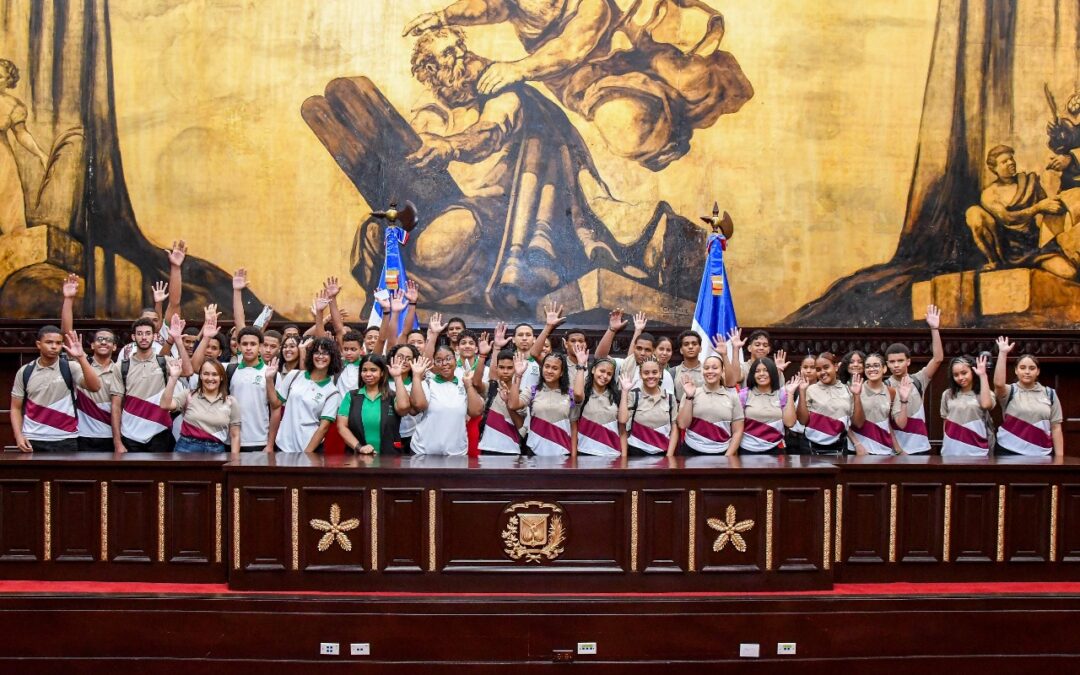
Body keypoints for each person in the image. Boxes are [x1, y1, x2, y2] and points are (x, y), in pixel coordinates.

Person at [965, 145, 1074, 275]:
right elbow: (1008, 219)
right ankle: (994, 261)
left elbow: (1051, 206)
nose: (1011, 163)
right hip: (1009, 249)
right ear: (994, 168)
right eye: (1004, 161)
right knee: (973, 213)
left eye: (1011, 159)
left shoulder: (1029, 182)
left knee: (1069, 273)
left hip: (1034, 244)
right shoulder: (990, 193)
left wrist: (1054, 176)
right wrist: (1037, 207)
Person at [10, 327, 102, 452]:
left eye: (58, 343)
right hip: (32, 439)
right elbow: (15, 408)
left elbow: (95, 387)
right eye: (49, 342)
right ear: (38, 344)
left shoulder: (70, 367)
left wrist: (81, 358)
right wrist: (18, 436)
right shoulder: (25, 371)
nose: (54, 347)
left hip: (65, 439)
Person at [60, 274, 123, 452]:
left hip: (113, 436)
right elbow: (66, 334)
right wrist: (69, 299)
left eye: (108, 340)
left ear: (115, 346)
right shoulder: (80, 363)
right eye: (100, 339)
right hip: (82, 436)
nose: (104, 342)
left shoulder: (121, 369)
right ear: (92, 344)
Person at [114, 315, 193, 453]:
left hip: (160, 432)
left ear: (154, 336)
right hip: (130, 435)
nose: (144, 337)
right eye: (139, 334)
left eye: (148, 333)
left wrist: (178, 340)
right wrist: (117, 442)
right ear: (133, 337)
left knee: (161, 475)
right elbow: (115, 406)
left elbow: (188, 371)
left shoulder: (164, 361)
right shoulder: (121, 366)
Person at [887, 305, 943, 455]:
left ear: (908, 362)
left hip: (921, 447)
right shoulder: (885, 386)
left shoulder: (918, 380)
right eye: (892, 362)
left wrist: (934, 329)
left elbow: (938, 359)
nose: (896, 365)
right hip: (895, 451)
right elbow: (885, 423)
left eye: (900, 360)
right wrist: (898, 450)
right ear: (887, 365)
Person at [992, 337, 1063, 457]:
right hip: (1009, 451)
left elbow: (1056, 428)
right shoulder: (1010, 391)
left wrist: (1060, 459)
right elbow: (998, 384)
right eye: (1022, 368)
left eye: (1032, 368)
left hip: (1041, 453)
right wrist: (1003, 353)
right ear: (1016, 371)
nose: (1027, 372)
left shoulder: (1050, 394)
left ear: (1038, 371)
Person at [0, 58, 48, 234]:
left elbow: (21, 133)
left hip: (2, 160)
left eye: (0, 77)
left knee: (9, 203)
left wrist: (41, 154)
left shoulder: (12, 105)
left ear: (9, 81)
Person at [409, 345, 484, 455]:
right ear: (434, 363)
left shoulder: (463, 383)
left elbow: (475, 412)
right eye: (439, 360)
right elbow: (419, 405)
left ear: (455, 359)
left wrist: (468, 385)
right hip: (423, 451)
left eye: (448, 358)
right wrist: (416, 375)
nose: (444, 364)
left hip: (456, 452)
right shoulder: (428, 383)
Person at [275, 337, 343, 453]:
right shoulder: (294, 375)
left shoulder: (332, 392)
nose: (320, 356)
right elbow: (275, 403)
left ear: (332, 358)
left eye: (325, 353)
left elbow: (323, 428)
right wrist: (268, 380)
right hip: (282, 446)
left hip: (309, 449)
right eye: (317, 352)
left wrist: (307, 453)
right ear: (311, 355)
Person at [336, 353, 413, 455]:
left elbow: (404, 408)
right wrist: (360, 448)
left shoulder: (392, 396)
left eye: (373, 370)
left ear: (382, 373)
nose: (368, 374)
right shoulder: (351, 396)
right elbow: (341, 426)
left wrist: (397, 377)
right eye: (364, 370)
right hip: (357, 458)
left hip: (390, 459)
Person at [159, 359, 241, 453]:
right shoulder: (188, 395)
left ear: (221, 377)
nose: (210, 378)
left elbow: (235, 435)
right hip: (186, 449)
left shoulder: (230, 402)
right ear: (200, 376)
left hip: (216, 451)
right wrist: (173, 378)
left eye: (214, 374)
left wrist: (234, 461)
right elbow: (165, 405)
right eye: (206, 374)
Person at [510, 351, 577, 457]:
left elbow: (574, 427)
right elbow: (513, 405)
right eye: (547, 366)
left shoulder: (570, 394)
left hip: (562, 452)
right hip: (534, 451)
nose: (549, 371)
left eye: (555, 368)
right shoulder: (532, 391)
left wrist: (573, 456)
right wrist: (518, 375)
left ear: (562, 372)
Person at [227, 327, 282, 453]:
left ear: (260, 347)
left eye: (253, 344)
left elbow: (275, 410)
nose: (248, 347)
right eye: (244, 344)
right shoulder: (229, 370)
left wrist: (270, 444)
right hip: (231, 440)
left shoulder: (272, 374)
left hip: (259, 441)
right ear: (238, 347)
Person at [595, 308, 676, 392]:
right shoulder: (623, 365)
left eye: (647, 350)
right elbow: (600, 358)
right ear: (634, 348)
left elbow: (668, 402)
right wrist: (612, 329)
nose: (642, 353)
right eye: (639, 348)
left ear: (653, 351)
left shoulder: (663, 375)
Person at [677, 354, 744, 456]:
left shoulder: (732, 397)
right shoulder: (692, 393)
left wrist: (728, 456)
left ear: (722, 371)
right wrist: (689, 397)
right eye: (706, 368)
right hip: (691, 452)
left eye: (715, 368)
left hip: (722, 454)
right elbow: (682, 424)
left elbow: (738, 431)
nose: (710, 371)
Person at [474, 326, 525, 455]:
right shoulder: (491, 388)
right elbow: (475, 383)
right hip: (487, 447)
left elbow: (520, 425)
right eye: (502, 367)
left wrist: (509, 403)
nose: (506, 371)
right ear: (497, 368)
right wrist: (482, 355)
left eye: (509, 368)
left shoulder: (522, 393)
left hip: (512, 449)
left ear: (516, 368)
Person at [618, 356, 678, 457]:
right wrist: (625, 392)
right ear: (640, 375)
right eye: (646, 373)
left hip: (662, 453)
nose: (650, 376)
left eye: (654, 372)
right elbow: (622, 421)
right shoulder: (633, 395)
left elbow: (674, 428)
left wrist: (669, 456)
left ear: (660, 373)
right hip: (636, 454)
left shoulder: (670, 398)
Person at [796, 352, 854, 455]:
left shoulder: (847, 390)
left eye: (826, 367)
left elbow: (854, 421)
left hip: (839, 447)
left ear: (836, 367)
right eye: (818, 369)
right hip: (811, 448)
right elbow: (802, 421)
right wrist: (802, 392)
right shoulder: (810, 390)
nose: (822, 372)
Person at [571, 344, 623, 458]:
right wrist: (580, 365)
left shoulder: (616, 396)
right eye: (602, 371)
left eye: (609, 374)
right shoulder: (584, 393)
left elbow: (622, 428)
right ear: (593, 370)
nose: (605, 376)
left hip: (612, 453)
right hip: (586, 452)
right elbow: (578, 394)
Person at [737, 357, 797, 455]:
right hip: (747, 450)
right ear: (752, 374)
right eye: (757, 371)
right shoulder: (744, 395)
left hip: (776, 449)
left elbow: (790, 423)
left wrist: (790, 394)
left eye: (766, 370)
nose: (761, 374)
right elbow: (736, 427)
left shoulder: (782, 394)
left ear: (772, 373)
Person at [940, 354, 995, 456]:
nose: (960, 378)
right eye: (956, 375)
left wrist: (982, 375)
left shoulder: (984, 393)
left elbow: (987, 404)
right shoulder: (947, 394)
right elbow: (945, 421)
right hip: (952, 449)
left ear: (972, 372)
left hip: (977, 449)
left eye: (964, 373)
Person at [849, 354, 900, 455]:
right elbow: (849, 423)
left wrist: (898, 448)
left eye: (876, 365)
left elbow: (887, 422)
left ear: (884, 368)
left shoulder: (891, 392)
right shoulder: (853, 390)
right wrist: (857, 444)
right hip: (859, 451)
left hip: (884, 450)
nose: (871, 369)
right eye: (868, 366)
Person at [387, 343, 421, 453]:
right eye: (400, 357)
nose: (404, 361)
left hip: (411, 434)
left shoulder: (417, 383)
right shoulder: (383, 381)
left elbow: (414, 410)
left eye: (409, 358)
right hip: (387, 434)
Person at [785, 354, 818, 454]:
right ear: (800, 369)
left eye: (813, 367)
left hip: (813, 440)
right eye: (805, 367)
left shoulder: (822, 389)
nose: (808, 371)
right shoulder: (793, 388)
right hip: (793, 439)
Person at [672, 330, 704, 403]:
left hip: (703, 412)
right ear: (681, 350)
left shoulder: (707, 371)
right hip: (680, 411)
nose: (690, 347)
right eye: (686, 344)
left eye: (694, 344)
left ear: (700, 348)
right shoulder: (673, 371)